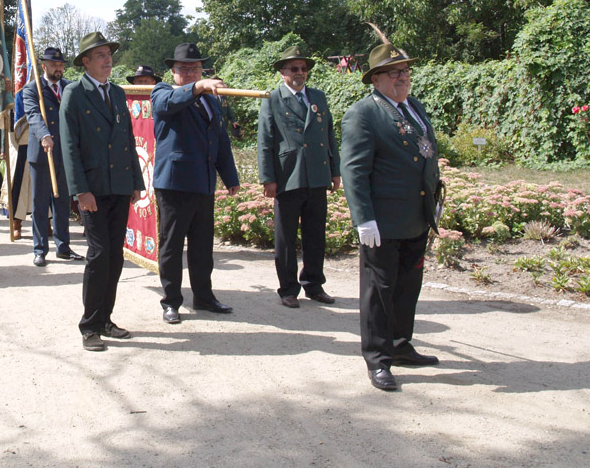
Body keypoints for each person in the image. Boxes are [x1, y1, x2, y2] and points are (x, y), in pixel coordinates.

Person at [341, 36, 441, 392]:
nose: (403, 77)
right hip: (382, 222)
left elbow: (426, 153)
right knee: (379, 292)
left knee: (406, 288)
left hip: (415, 216)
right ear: (375, 79)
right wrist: (363, 218)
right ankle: (378, 358)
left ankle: (400, 344)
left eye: (406, 70)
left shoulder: (413, 106)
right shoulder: (363, 113)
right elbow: (354, 170)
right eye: (394, 72)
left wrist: (434, 197)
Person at [60, 31, 145, 351]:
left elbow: (127, 140)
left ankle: (106, 318)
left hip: (120, 185)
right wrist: (80, 191)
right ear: (85, 62)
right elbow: (69, 147)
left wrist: (136, 182)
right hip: (93, 188)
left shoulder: (118, 93)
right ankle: (90, 325)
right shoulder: (74, 93)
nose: (108, 60)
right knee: (98, 255)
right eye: (100, 56)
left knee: (115, 256)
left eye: (109, 55)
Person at [151, 42, 240, 324]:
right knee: (172, 245)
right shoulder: (162, 92)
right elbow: (170, 104)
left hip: (203, 181)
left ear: (202, 69)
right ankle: (171, 301)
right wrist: (198, 86)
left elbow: (220, 140)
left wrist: (230, 177)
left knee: (202, 245)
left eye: (195, 69)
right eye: (184, 69)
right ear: (173, 72)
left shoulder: (211, 101)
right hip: (174, 183)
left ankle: (204, 296)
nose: (190, 74)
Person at [257, 45, 341, 308]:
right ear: (283, 72)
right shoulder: (272, 98)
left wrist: (335, 170)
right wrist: (267, 178)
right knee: (285, 237)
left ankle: (314, 285)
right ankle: (288, 289)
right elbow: (265, 140)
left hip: (317, 174)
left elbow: (329, 135)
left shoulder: (318, 97)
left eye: (303, 68)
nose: (300, 73)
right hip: (288, 175)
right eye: (294, 68)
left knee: (316, 234)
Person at [23, 47, 83, 266]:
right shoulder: (33, 89)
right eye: (53, 64)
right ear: (44, 66)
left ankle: (63, 247)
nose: (58, 68)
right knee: (40, 204)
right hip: (42, 154)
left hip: (65, 154)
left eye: (60, 65)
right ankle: (40, 249)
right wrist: (44, 135)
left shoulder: (70, 88)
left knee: (62, 202)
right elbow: (33, 114)